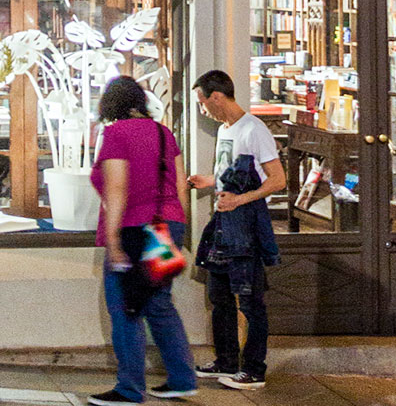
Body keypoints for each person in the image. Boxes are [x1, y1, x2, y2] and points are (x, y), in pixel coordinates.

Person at [88, 76, 196, 406]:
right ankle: (182, 379)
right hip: (167, 225)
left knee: (125, 307)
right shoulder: (164, 133)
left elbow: (117, 189)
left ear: (110, 104)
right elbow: (180, 187)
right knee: (159, 304)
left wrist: (114, 240)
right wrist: (178, 232)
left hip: (134, 228)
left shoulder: (117, 134)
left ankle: (129, 388)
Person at [187, 69, 285, 391]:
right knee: (219, 295)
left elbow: (277, 180)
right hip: (223, 223)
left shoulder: (254, 130)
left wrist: (239, 199)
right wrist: (210, 181)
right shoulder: (225, 130)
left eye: (202, 103)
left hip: (246, 225)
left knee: (251, 301)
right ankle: (226, 360)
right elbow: (233, 173)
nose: (202, 110)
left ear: (216, 97)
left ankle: (254, 370)